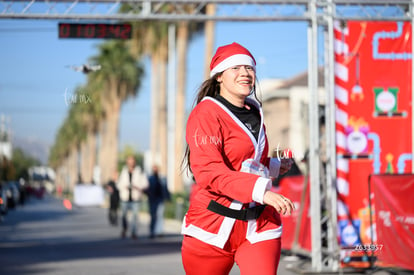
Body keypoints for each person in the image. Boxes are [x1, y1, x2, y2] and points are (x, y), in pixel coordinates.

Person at [181, 42, 295, 275]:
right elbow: (209, 171)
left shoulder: (255, 112)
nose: (245, 73)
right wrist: (262, 191)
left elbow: (248, 162)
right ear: (219, 76)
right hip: (211, 227)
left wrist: (273, 166)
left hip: (259, 225)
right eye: (236, 68)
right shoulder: (206, 114)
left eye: (249, 68)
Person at [117, 155, 148, 239]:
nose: (131, 163)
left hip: (136, 197)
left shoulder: (140, 171)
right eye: (129, 161)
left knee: (135, 216)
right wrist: (124, 186)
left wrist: (137, 187)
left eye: (132, 161)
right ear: (127, 162)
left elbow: (145, 184)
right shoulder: (123, 171)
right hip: (125, 197)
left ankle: (134, 232)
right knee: (123, 215)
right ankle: (124, 228)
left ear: (134, 162)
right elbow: (119, 184)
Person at [146, 165, 170, 238]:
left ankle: (159, 231)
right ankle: (152, 231)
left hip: (160, 199)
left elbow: (165, 189)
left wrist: (168, 198)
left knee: (160, 215)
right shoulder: (150, 178)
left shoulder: (162, 178)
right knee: (153, 216)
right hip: (152, 199)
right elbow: (147, 189)